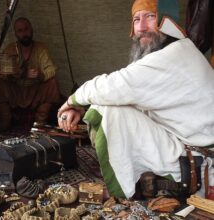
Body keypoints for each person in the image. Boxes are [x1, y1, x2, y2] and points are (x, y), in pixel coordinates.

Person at [57, 0, 214, 199]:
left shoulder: (173, 55)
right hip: (188, 148)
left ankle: (124, 189)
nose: (141, 27)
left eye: (150, 17)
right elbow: (125, 93)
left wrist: (71, 102)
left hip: (199, 165)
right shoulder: (179, 50)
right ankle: (132, 174)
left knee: (106, 110)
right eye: (136, 19)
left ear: (168, 21)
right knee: (109, 102)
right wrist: (80, 105)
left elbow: (115, 85)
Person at [0, 17, 62, 130]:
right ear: (16, 34)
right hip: (16, 90)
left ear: (31, 29)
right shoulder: (11, 48)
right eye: (20, 31)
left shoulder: (40, 48)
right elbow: (2, 73)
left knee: (52, 84)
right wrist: (20, 73)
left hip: (34, 91)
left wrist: (40, 75)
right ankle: (5, 119)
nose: (24, 33)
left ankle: (40, 121)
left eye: (26, 29)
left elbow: (51, 70)